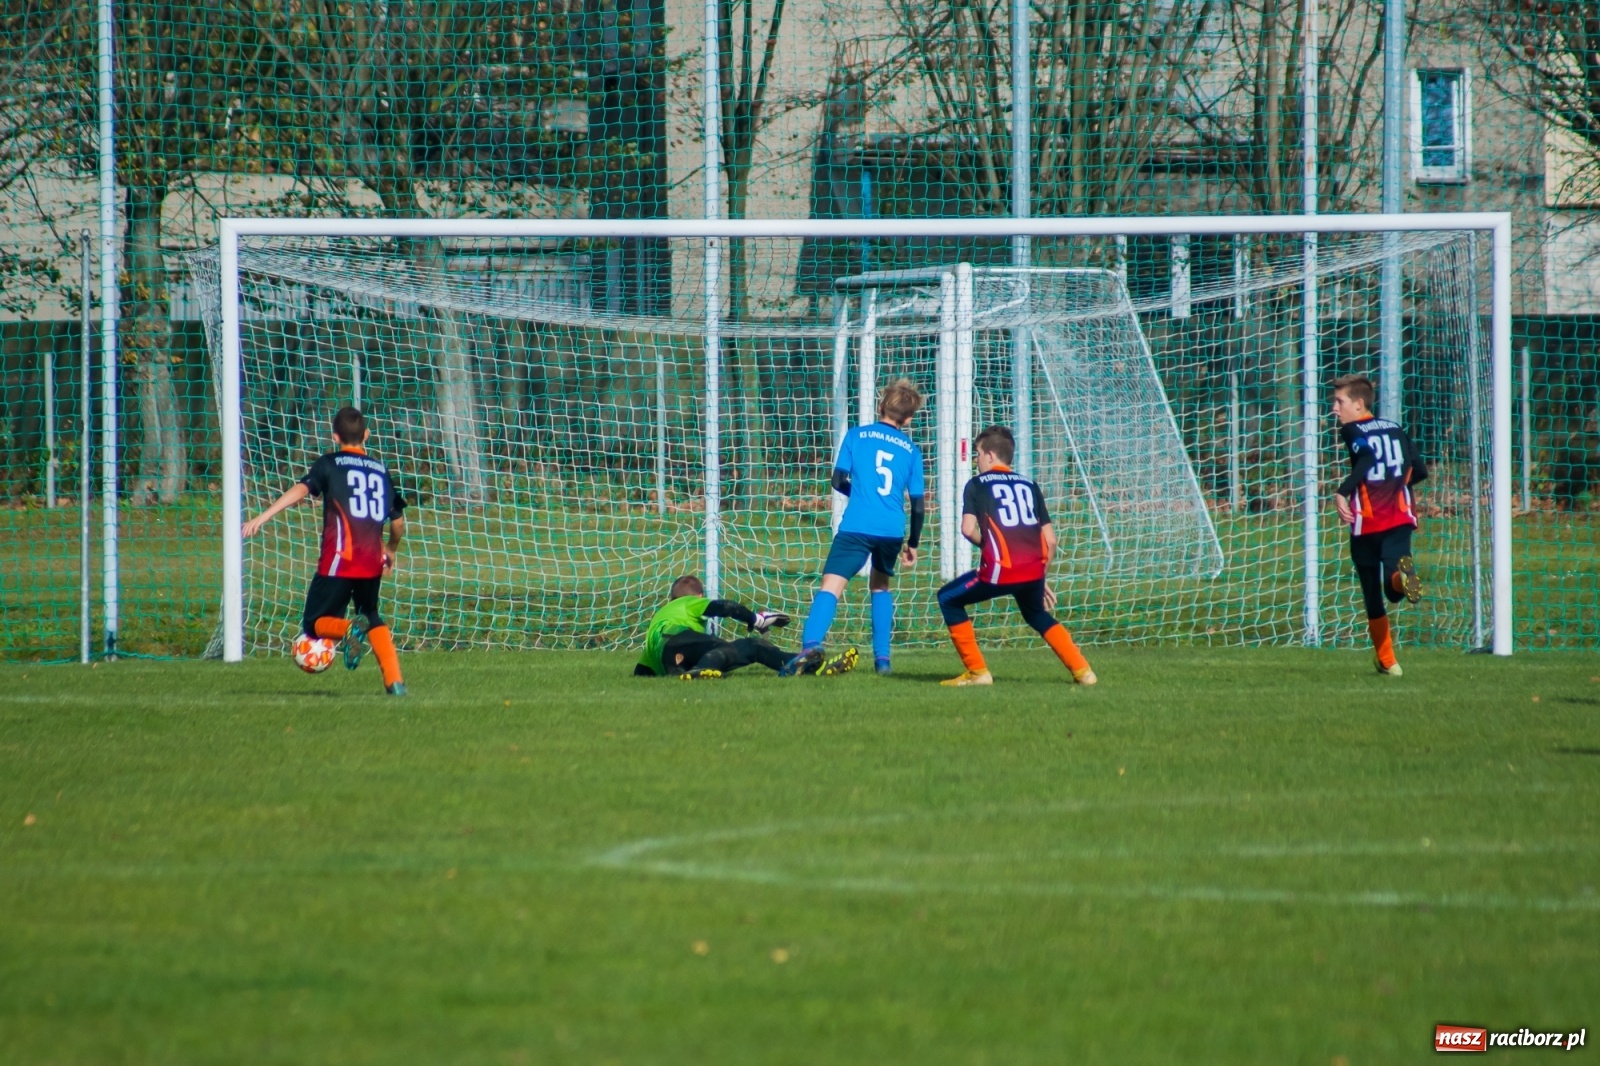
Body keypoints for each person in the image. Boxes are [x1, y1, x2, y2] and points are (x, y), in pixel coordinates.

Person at [242, 406, 408, 695]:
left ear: (335, 436)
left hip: (339, 561)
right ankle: (395, 682)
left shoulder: (329, 464)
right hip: (371, 560)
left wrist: (264, 515)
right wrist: (391, 551)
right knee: (371, 614)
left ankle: (346, 630)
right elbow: (398, 522)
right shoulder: (381, 471)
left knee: (313, 624)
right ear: (366, 434)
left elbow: (302, 489)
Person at [935, 425, 1096, 687]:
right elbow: (1051, 541)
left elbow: (967, 529)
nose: (976, 460)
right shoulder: (1029, 484)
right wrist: (1040, 578)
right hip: (1033, 570)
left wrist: (987, 546)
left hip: (1001, 569)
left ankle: (978, 673)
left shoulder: (976, 485)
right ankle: (1083, 671)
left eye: (977, 453)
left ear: (989, 455)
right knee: (1036, 615)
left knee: (948, 598)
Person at [790, 378, 927, 676]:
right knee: (879, 586)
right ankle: (883, 662)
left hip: (857, 525)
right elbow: (917, 505)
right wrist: (913, 543)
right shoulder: (912, 450)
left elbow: (838, 480)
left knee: (832, 585)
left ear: (881, 406)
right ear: (907, 418)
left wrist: (861, 494)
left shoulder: (856, 435)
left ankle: (810, 646)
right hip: (891, 529)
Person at [1331, 373, 1426, 676]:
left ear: (1359, 405)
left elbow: (1368, 458)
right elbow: (1419, 469)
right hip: (1400, 516)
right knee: (1394, 587)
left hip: (1367, 521)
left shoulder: (1352, 429)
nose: (1335, 408)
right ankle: (1403, 578)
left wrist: (1342, 492)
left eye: (1339, 401)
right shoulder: (1396, 428)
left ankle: (1389, 661)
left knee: (1372, 591)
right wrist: (1398, 486)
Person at [634, 575, 855, 680]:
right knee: (728, 647)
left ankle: (805, 665)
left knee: (745, 647)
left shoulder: (657, 620)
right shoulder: (687, 602)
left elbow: (641, 671)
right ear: (699, 596)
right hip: (677, 639)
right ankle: (699, 672)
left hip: (670, 658)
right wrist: (754, 619)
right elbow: (726, 607)